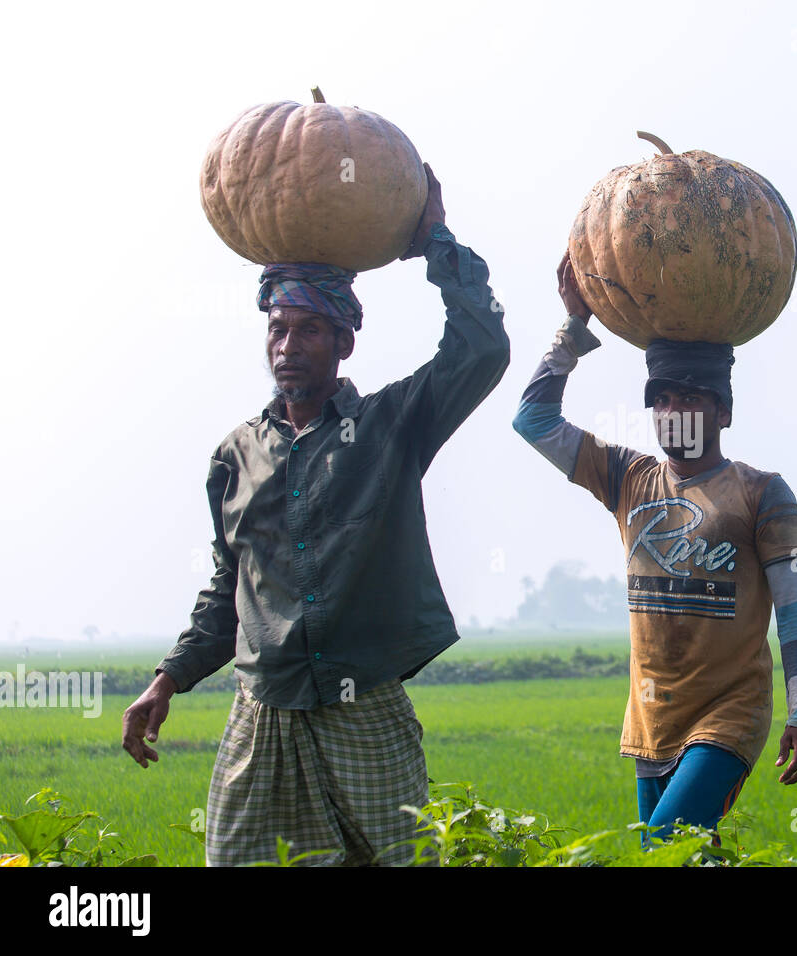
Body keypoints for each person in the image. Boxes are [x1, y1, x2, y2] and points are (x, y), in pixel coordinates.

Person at [121, 164, 510, 865]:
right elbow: (229, 593)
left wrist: (436, 244)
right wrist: (167, 679)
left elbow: (480, 350)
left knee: (404, 860)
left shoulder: (391, 426)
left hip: (363, 710)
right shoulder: (235, 457)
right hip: (263, 710)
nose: (288, 347)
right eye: (278, 330)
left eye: (308, 331)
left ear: (343, 342)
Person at [512, 252, 797, 845]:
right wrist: (573, 329)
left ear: (724, 411)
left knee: (658, 847)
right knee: (682, 857)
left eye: (693, 396)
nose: (674, 410)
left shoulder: (764, 495)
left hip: (728, 716)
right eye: (662, 397)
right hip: (651, 721)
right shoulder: (626, 478)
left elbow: (795, 610)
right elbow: (533, 420)